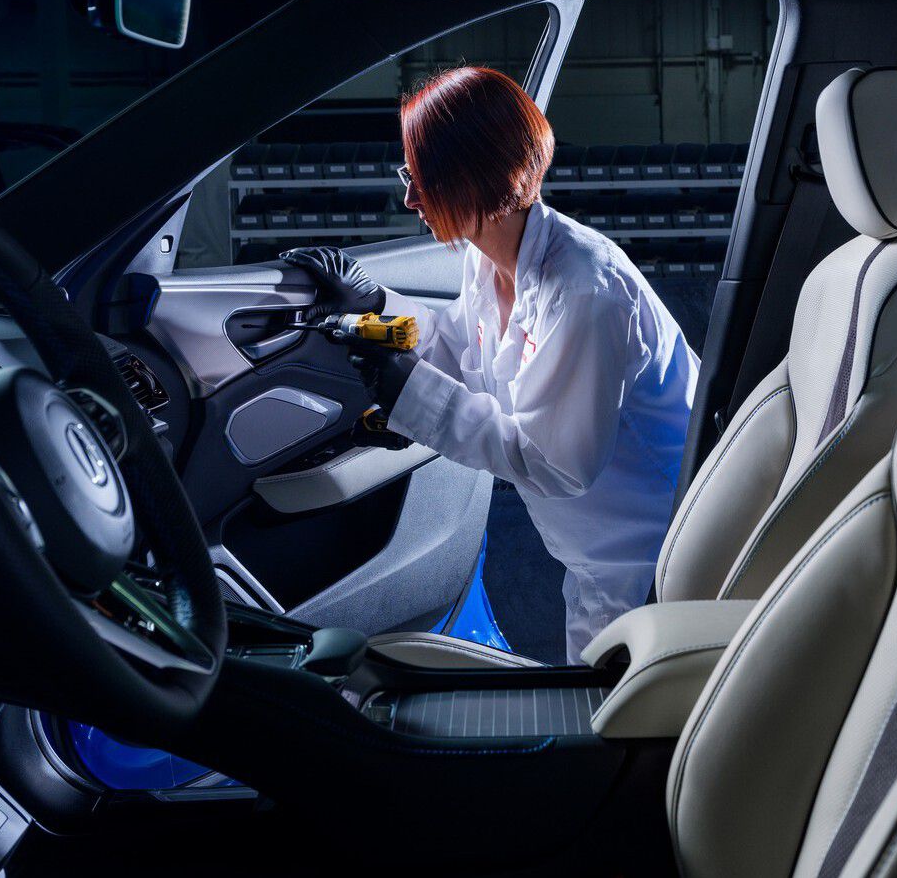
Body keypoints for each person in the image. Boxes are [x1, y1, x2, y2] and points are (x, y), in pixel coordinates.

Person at [286, 66, 698, 662]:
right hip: (598, 561)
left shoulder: (585, 290)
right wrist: (376, 304)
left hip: (656, 566)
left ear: (473, 177)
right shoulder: (491, 260)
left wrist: (411, 395)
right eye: (409, 176)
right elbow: (463, 346)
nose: (410, 199)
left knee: (633, 714)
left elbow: (557, 465)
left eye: (423, 180)